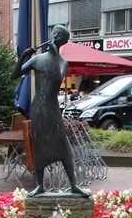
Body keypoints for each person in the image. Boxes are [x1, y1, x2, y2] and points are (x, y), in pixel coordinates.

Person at [10, 24, 88, 197]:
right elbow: (14, 75)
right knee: (39, 145)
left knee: (63, 145)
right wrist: (23, 56)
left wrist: (56, 57)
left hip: (52, 108)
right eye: (53, 33)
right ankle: (40, 185)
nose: (53, 36)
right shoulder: (38, 59)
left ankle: (74, 185)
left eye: (58, 35)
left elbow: (57, 79)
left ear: (63, 41)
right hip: (38, 108)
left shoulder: (62, 62)